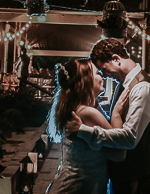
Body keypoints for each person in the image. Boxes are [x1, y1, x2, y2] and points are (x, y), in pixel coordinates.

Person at [68, 38, 150, 194]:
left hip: (140, 180)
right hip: (126, 179)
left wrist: (82, 130)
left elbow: (129, 138)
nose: (104, 75)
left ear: (116, 59)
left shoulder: (142, 88)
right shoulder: (125, 84)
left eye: (104, 69)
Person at [46, 59, 125, 194]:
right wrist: (117, 114)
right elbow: (119, 152)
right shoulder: (88, 113)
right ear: (86, 80)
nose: (102, 76)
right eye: (97, 73)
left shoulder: (81, 109)